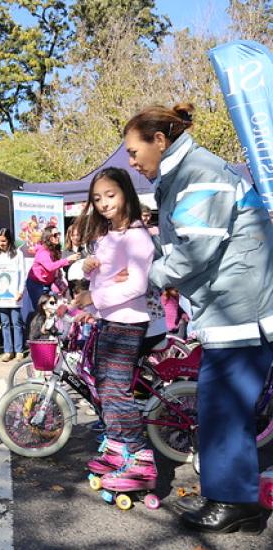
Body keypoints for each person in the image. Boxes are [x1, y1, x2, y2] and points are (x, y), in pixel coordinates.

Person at [124, 102, 273, 533]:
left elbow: (194, 250)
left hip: (239, 311)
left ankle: (232, 501)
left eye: (135, 152)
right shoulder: (187, 172)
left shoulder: (198, 172)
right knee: (222, 407)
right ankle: (236, 498)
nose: (132, 163)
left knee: (222, 408)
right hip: (233, 307)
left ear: (159, 140)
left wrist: (146, 276)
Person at [72, 168, 157, 501]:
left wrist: (94, 296)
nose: (104, 203)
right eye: (97, 198)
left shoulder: (137, 236)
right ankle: (118, 450)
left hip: (128, 323)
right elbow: (105, 279)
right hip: (108, 321)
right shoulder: (108, 237)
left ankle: (140, 458)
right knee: (106, 389)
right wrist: (90, 269)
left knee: (118, 391)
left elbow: (136, 285)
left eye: (110, 195)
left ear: (125, 194)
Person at [22, 226, 79, 324]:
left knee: (50, 311)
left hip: (47, 283)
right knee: (42, 311)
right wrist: (67, 260)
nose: (58, 237)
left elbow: (55, 269)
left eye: (59, 234)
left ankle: (49, 334)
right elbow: (50, 267)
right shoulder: (43, 252)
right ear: (48, 237)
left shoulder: (53, 250)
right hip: (36, 284)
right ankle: (39, 335)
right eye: (55, 235)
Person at [0, 228, 25, 361]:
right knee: (5, 323)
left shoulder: (18, 255)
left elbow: (22, 274)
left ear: (9, 240)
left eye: (4, 241)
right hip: (0, 296)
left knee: (16, 322)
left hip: (14, 295)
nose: (1, 243)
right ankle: (8, 351)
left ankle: (19, 350)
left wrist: (20, 290)